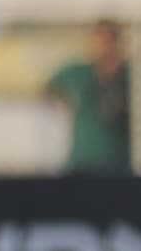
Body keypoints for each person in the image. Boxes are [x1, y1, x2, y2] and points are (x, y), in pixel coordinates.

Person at [47, 20, 135, 174]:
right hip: (82, 161)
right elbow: (48, 91)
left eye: (109, 41)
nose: (105, 47)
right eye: (100, 41)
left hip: (118, 161)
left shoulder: (130, 74)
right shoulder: (78, 72)